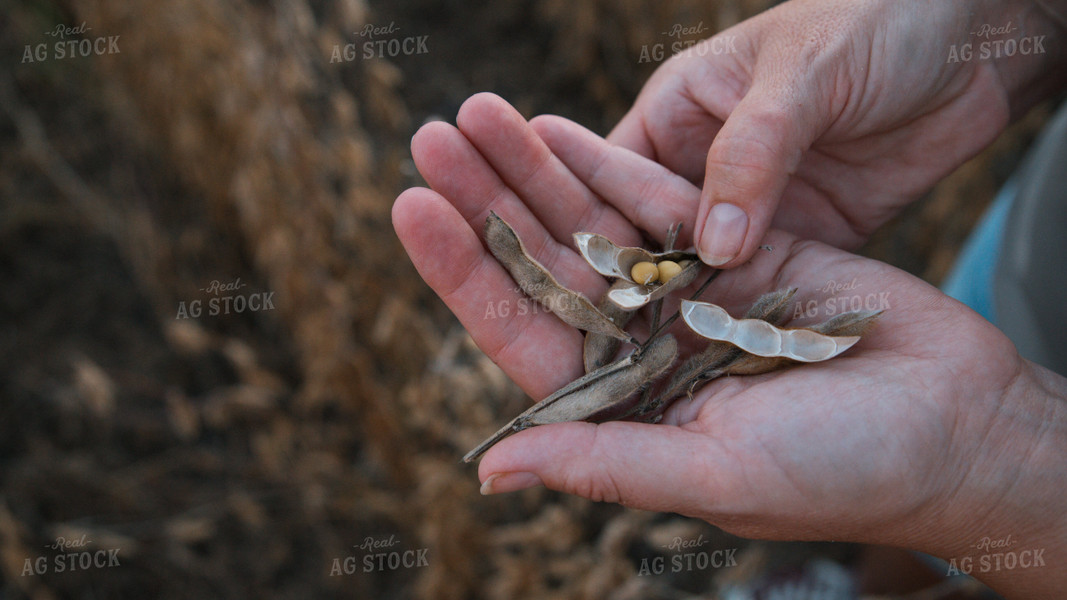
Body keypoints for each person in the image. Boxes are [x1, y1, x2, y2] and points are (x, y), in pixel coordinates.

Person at [392, 0, 1067, 597]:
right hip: (1043, 254)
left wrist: (992, 463)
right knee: (979, 355)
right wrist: (1002, 18)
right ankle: (864, 586)